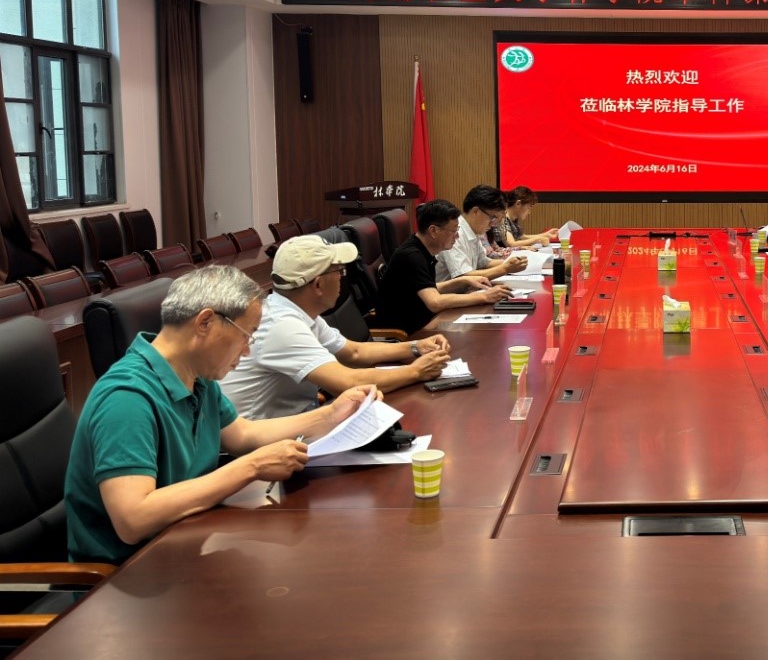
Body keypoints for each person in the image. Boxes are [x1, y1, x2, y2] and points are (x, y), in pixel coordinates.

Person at [64, 266, 381, 565]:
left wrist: (331, 415)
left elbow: (242, 435)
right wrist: (252, 467)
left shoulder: (197, 376)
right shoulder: (126, 399)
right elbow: (134, 519)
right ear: (205, 323)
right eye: (247, 335)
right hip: (130, 574)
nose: (247, 351)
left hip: (187, 542)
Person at [220, 235, 451, 419]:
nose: (342, 278)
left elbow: (353, 352)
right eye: (339, 271)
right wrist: (415, 371)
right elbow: (347, 382)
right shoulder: (281, 326)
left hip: (299, 426)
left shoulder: (298, 312)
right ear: (318, 284)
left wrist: (415, 347)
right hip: (262, 447)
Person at [376, 198, 513, 334]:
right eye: (453, 231)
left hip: (426, 321)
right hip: (409, 332)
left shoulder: (421, 249)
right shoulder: (412, 256)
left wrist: (463, 280)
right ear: (433, 231)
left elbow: (428, 288)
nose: (457, 237)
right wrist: (485, 297)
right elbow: (435, 302)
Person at [435, 184, 529, 283]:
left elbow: (484, 263)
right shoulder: (455, 233)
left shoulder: (473, 230)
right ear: (476, 211)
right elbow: (463, 276)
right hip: (452, 291)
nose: (493, 224)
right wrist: (505, 268)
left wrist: (513, 263)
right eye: (493, 217)